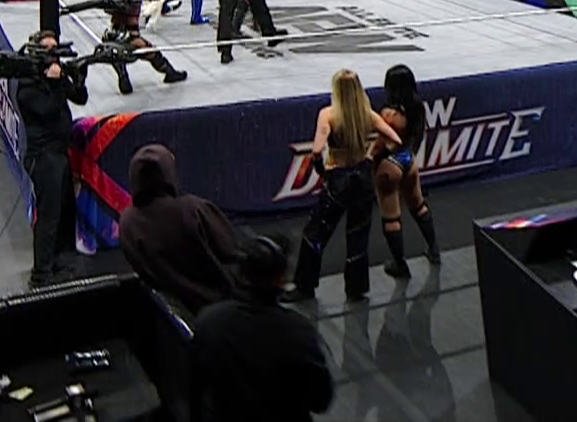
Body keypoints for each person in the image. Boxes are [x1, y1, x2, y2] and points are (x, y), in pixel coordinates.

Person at [283, 69, 401, 303]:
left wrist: (323, 172)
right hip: (363, 177)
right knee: (358, 234)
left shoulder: (328, 115)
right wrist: (371, 157)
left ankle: (305, 286)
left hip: (339, 178)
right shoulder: (368, 115)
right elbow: (395, 139)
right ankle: (356, 288)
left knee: (316, 232)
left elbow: (317, 150)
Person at [188, 235, 335, 422]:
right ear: (281, 279)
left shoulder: (209, 321)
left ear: (241, 273)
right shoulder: (298, 331)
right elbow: (320, 400)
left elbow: (196, 388)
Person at [118, 143, 243, 314]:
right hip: (222, 307)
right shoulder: (193, 209)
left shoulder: (127, 223)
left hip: (170, 312)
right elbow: (231, 250)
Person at [16, 29, 88, 289]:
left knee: (63, 211)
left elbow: (80, 97)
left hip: (59, 153)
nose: (54, 55)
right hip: (43, 157)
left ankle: (58, 261)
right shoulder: (27, 85)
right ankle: (40, 274)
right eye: (48, 49)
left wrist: (78, 77)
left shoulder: (54, 73)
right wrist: (56, 83)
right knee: (48, 216)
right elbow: (47, 110)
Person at [373, 64, 439, 276]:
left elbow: (380, 146)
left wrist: (368, 160)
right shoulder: (417, 108)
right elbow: (415, 138)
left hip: (390, 165)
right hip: (409, 160)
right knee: (418, 206)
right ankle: (434, 250)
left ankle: (400, 264)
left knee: (391, 216)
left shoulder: (389, 114)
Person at [100, 0, 188, 88]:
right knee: (152, 53)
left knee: (116, 51)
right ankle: (170, 73)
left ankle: (123, 75)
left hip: (112, 33)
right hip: (131, 37)